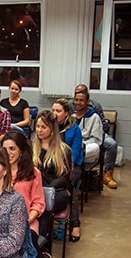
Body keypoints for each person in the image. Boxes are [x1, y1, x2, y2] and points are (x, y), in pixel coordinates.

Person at [2, 131, 62, 258]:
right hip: (1, 223)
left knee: (27, 242)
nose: (8, 153)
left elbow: (38, 203)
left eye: (12, 148)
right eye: (5, 149)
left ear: (21, 150)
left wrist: (25, 221)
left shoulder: (33, 172)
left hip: (28, 221)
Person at [47, 100, 84, 241]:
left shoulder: (74, 129)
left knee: (70, 185)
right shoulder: (49, 128)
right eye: (53, 110)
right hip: (53, 167)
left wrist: (63, 174)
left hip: (72, 166)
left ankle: (75, 224)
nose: (54, 114)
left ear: (66, 113)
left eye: (58, 111)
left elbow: (73, 155)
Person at [73, 85, 119, 189]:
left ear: (87, 101)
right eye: (76, 99)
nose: (78, 102)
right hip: (76, 144)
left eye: (81, 100)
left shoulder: (94, 115)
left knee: (111, 144)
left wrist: (81, 144)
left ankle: (108, 174)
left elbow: (96, 139)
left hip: (90, 143)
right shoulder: (72, 115)